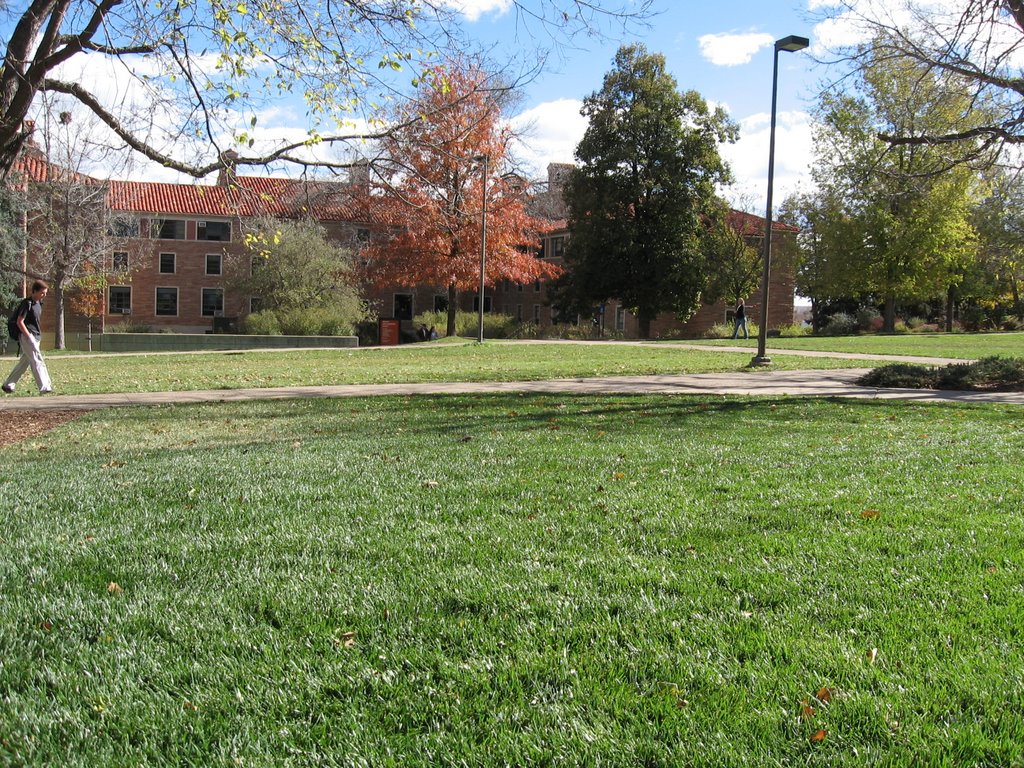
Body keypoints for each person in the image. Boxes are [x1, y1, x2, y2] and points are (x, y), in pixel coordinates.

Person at [3, 280, 53, 395]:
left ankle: (8, 384)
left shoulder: (39, 303)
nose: (44, 295)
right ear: (34, 291)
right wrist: (29, 337)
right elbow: (20, 321)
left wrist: (36, 337)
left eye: (45, 293)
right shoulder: (27, 303)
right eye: (42, 293)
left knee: (24, 362)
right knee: (37, 360)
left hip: (36, 336)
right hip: (27, 336)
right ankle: (44, 386)